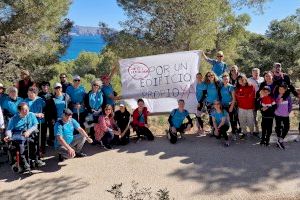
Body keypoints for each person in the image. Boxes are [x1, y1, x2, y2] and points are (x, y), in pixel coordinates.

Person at [4, 102, 45, 171]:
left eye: (27, 109)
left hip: (29, 133)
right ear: (19, 111)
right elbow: (9, 130)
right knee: (21, 143)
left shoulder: (31, 115)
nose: (26, 111)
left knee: (35, 141)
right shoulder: (14, 118)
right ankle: (24, 163)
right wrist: (8, 136)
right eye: (24, 109)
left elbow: (35, 125)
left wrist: (29, 131)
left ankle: (35, 159)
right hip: (18, 134)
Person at [24, 87, 47, 155]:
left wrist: (43, 114)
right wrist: (36, 114)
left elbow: (45, 109)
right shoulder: (25, 101)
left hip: (41, 122)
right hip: (31, 124)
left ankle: (42, 151)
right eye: (29, 93)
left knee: (42, 138)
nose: (30, 95)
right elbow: (25, 112)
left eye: (32, 93)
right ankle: (34, 153)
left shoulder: (41, 100)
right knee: (34, 139)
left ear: (36, 94)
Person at [235, 74, 256, 139]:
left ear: (245, 79)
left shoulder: (251, 86)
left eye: (241, 79)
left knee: (251, 121)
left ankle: (252, 132)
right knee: (242, 121)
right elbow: (237, 96)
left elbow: (249, 96)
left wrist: (241, 95)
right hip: (241, 107)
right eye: (238, 80)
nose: (240, 81)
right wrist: (242, 95)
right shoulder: (238, 87)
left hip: (250, 107)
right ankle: (244, 133)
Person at [274, 84, 292, 149]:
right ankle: (279, 138)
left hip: (285, 115)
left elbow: (290, 105)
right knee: (278, 127)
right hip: (277, 114)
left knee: (287, 127)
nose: (280, 90)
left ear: (285, 90)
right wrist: (278, 101)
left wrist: (288, 111)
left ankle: (281, 139)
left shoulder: (288, 97)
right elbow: (274, 104)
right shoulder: (276, 96)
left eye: (282, 89)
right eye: (279, 89)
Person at [220, 73, 238, 139]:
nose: (226, 80)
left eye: (227, 79)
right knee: (225, 120)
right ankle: (224, 132)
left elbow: (234, 98)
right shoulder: (221, 87)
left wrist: (231, 107)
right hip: (223, 106)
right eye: (224, 79)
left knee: (232, 120)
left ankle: (234, 133)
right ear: (222, 80)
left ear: (229, 79)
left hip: (230, 106)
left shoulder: (231, 87)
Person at [248, 68, 264, 136]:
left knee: (264, 114)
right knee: (254, 115)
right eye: (254, 72)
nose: (256, 73)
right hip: (253, 99)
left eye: (257, 72)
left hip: (262, 99)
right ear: (252, 73)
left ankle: (264, 128)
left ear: (259, 72)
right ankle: (256, 129)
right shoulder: (249, 80)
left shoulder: (262, 79)